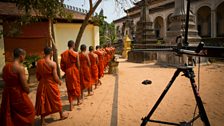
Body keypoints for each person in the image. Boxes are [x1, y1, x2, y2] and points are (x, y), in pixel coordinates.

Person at [0, 48, 35, 126]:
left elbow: (4, 77)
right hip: (18, 93)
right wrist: (28, 91)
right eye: (24, 56)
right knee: (30, 111)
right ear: (21, 56)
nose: (24, 58)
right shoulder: (20, 68)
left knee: (10, 113)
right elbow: (25, 85)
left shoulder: (6, 66)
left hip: (7, 93)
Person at [35, 47, 68, 125]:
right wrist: (59, 82)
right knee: (56, 99)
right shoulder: (53, 63)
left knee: (43, 101)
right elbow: (55, 76)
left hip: (42, 84)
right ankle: (61, 115)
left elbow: (38, 75)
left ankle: (42, 121)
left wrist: (42, 79)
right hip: (51, 84)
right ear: (51, 53)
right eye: (52, 52)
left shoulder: (39, 62)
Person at [60, 40, 81, 111]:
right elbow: (78, 65)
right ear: (73, 45)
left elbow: (62, 66)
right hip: (75, 71)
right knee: (77, 85)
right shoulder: (76, 54)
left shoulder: (63, 54)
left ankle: (71, 105)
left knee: (69, 88)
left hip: (68, 72)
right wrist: (78, 70)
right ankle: (78, 101)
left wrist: (66, 71)